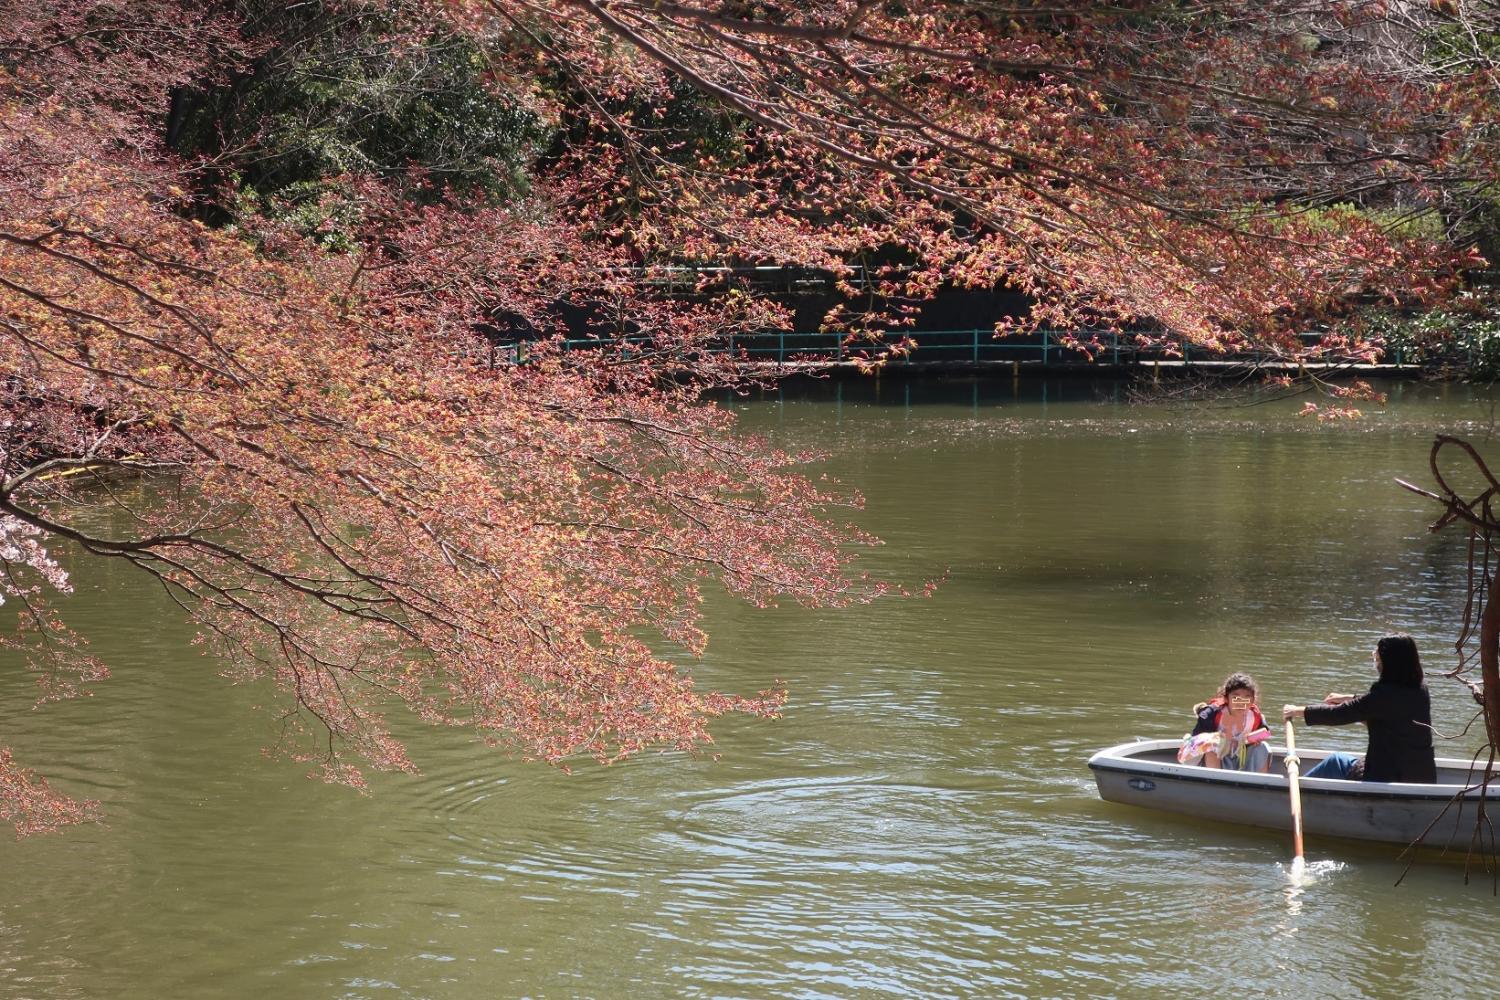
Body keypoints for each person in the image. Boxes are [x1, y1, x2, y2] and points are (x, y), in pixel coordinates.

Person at [1282, 633, 1436, 783]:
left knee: (1335, 761)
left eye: (1378, 654)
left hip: (1386, 777)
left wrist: (1297, 711)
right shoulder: (1420, 690)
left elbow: (1340, 714)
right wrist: (1348, 698)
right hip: (1422, 777)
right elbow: (1377, 706)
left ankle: (1288, 797)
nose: (1375, 656)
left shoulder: (1383, 695)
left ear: (1390, 661)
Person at [1178, 672, 1272, 772]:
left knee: (1263, 747)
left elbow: (1265, 732)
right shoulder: (1211, 714)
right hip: (1211, 760)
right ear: (1226, 698)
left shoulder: (1255, 716)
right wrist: (1219, 739)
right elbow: (1197, 742)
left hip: (1238, 757)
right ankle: (1216, 780)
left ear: (1253, 701)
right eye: (1236, 698)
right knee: (1212, 745)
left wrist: (1253, 739)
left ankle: (1259, 783)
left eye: (1247, 698)